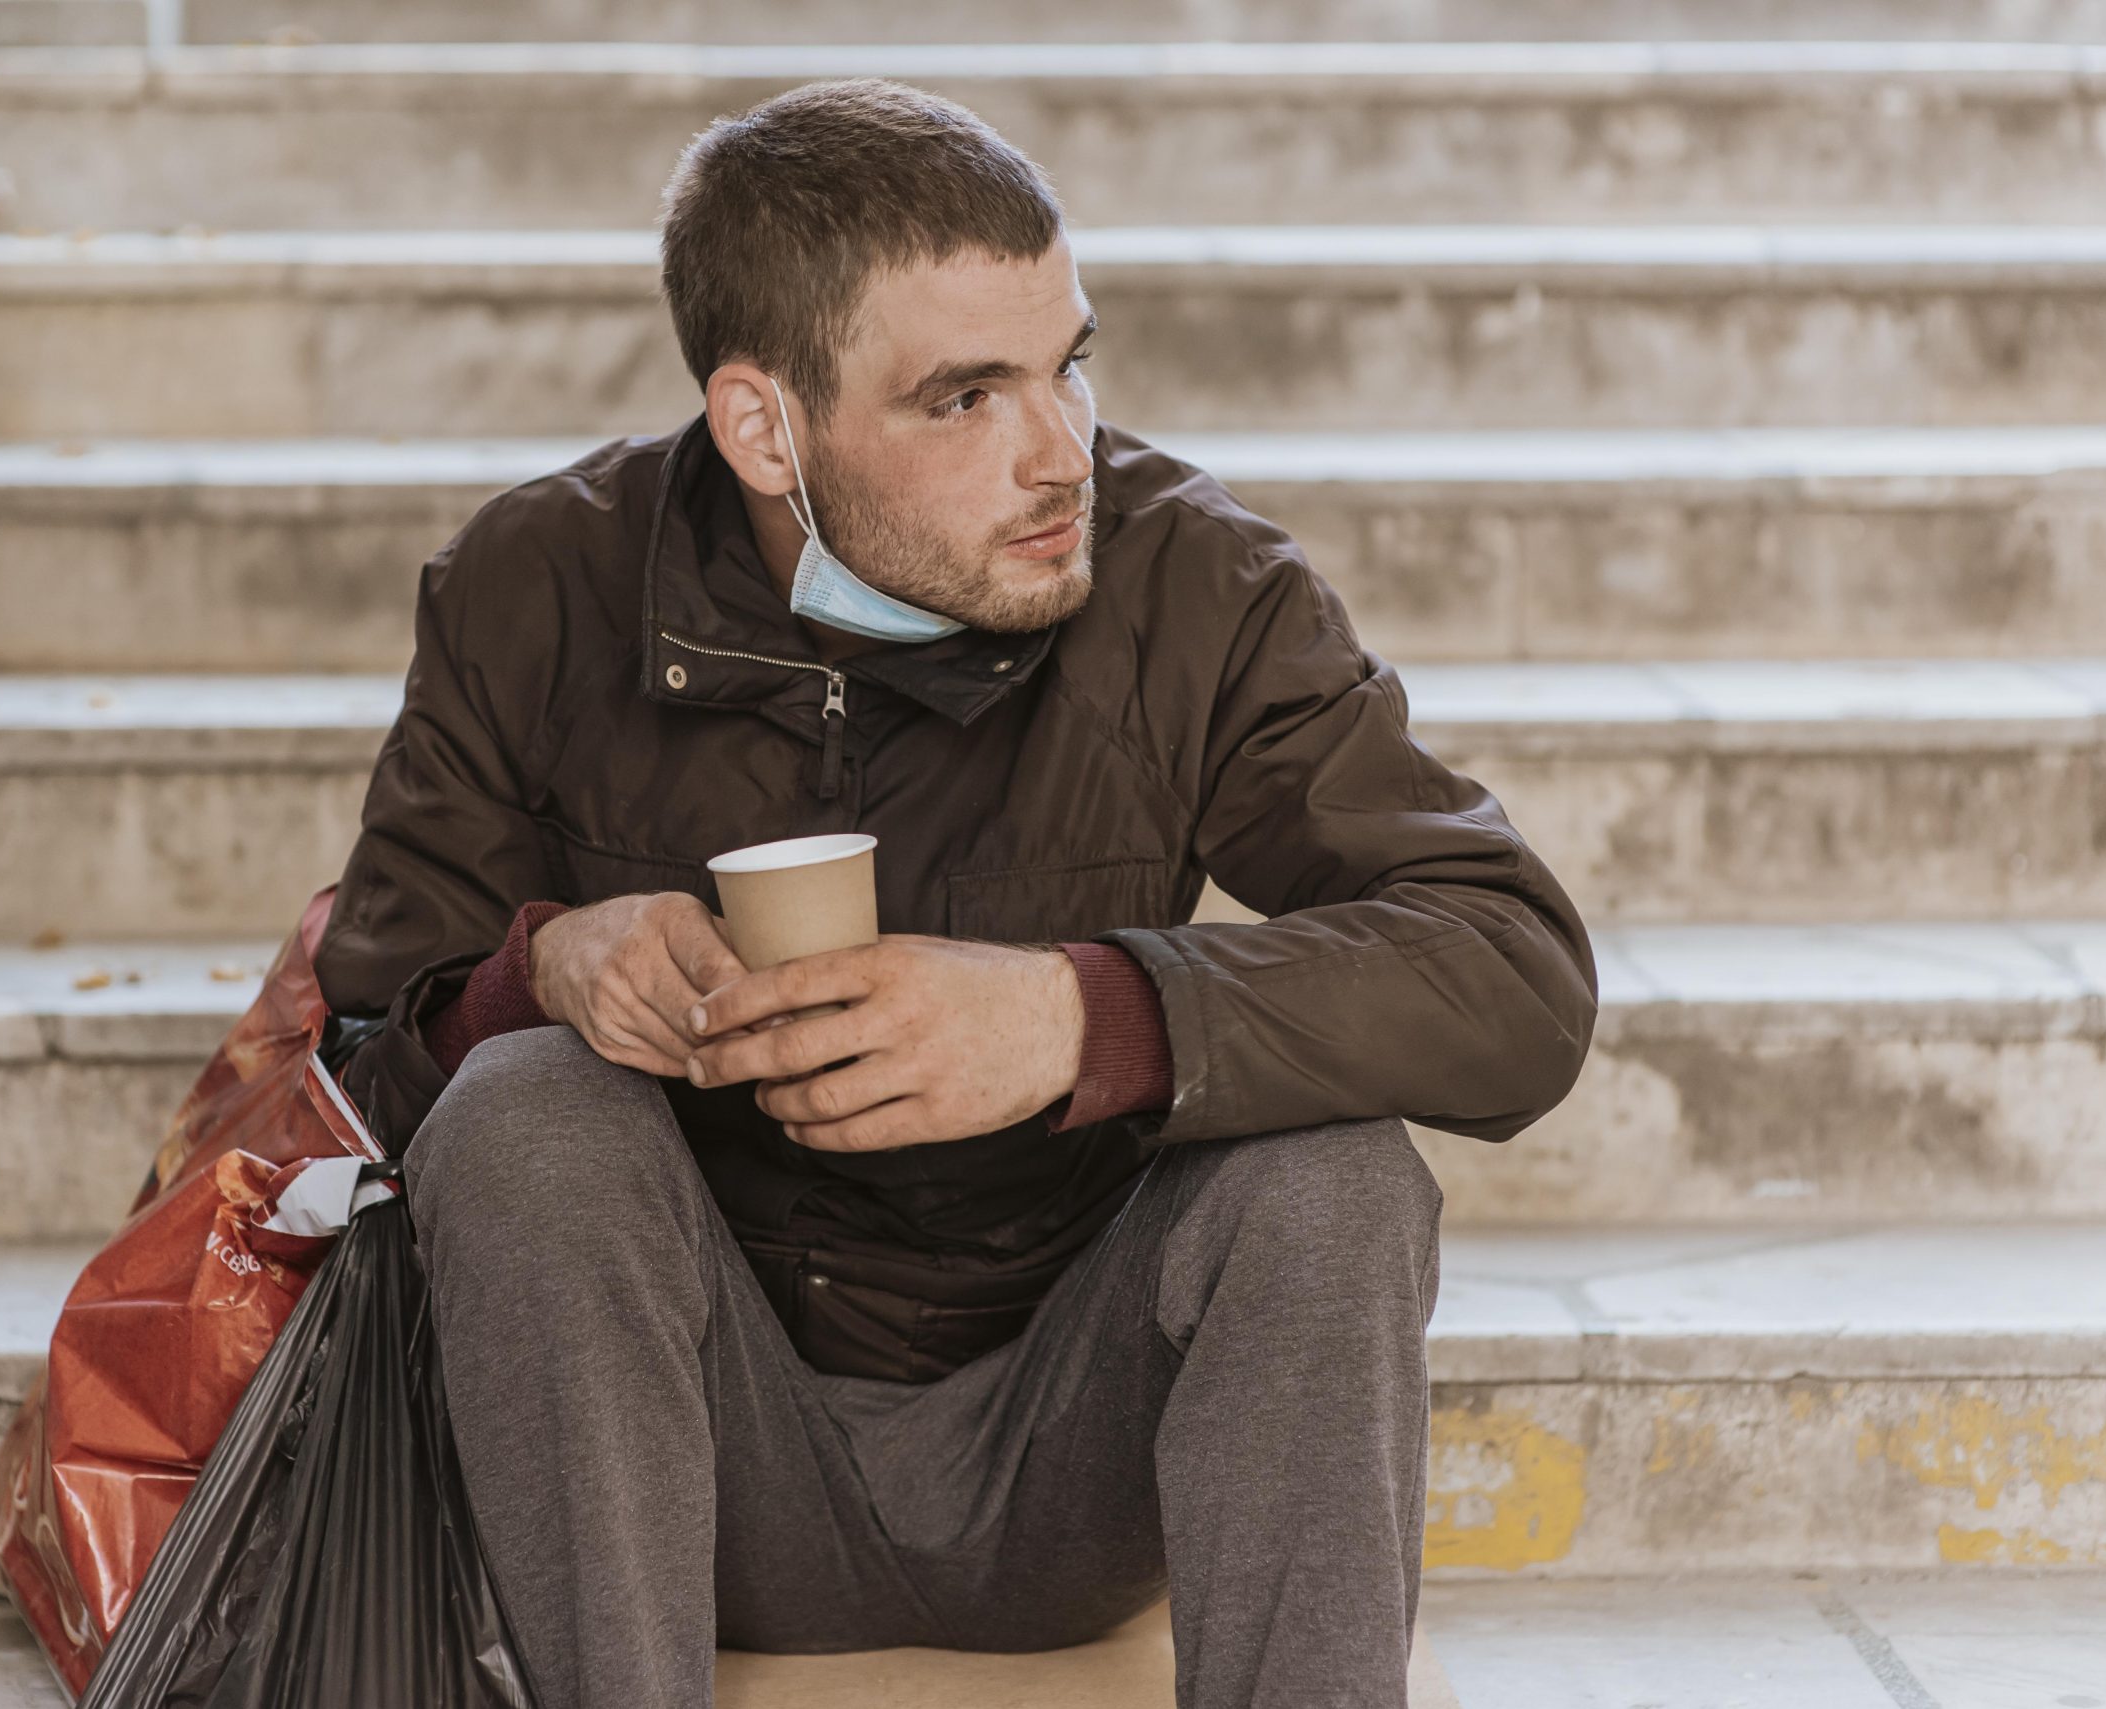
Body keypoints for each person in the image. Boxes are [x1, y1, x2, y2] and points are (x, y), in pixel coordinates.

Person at [315, 75, 1597, 1709]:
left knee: (1331, 1169)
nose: (1061, 453)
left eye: (1068, 365)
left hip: (1076, 1447)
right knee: (521, 1112)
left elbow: (1517, 976)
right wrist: (541, 967)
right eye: (964, 398)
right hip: (693, 1465)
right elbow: (356, 1070)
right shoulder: (534, 586)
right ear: (763, 426)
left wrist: (1088, 1014)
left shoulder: (1194, 585)